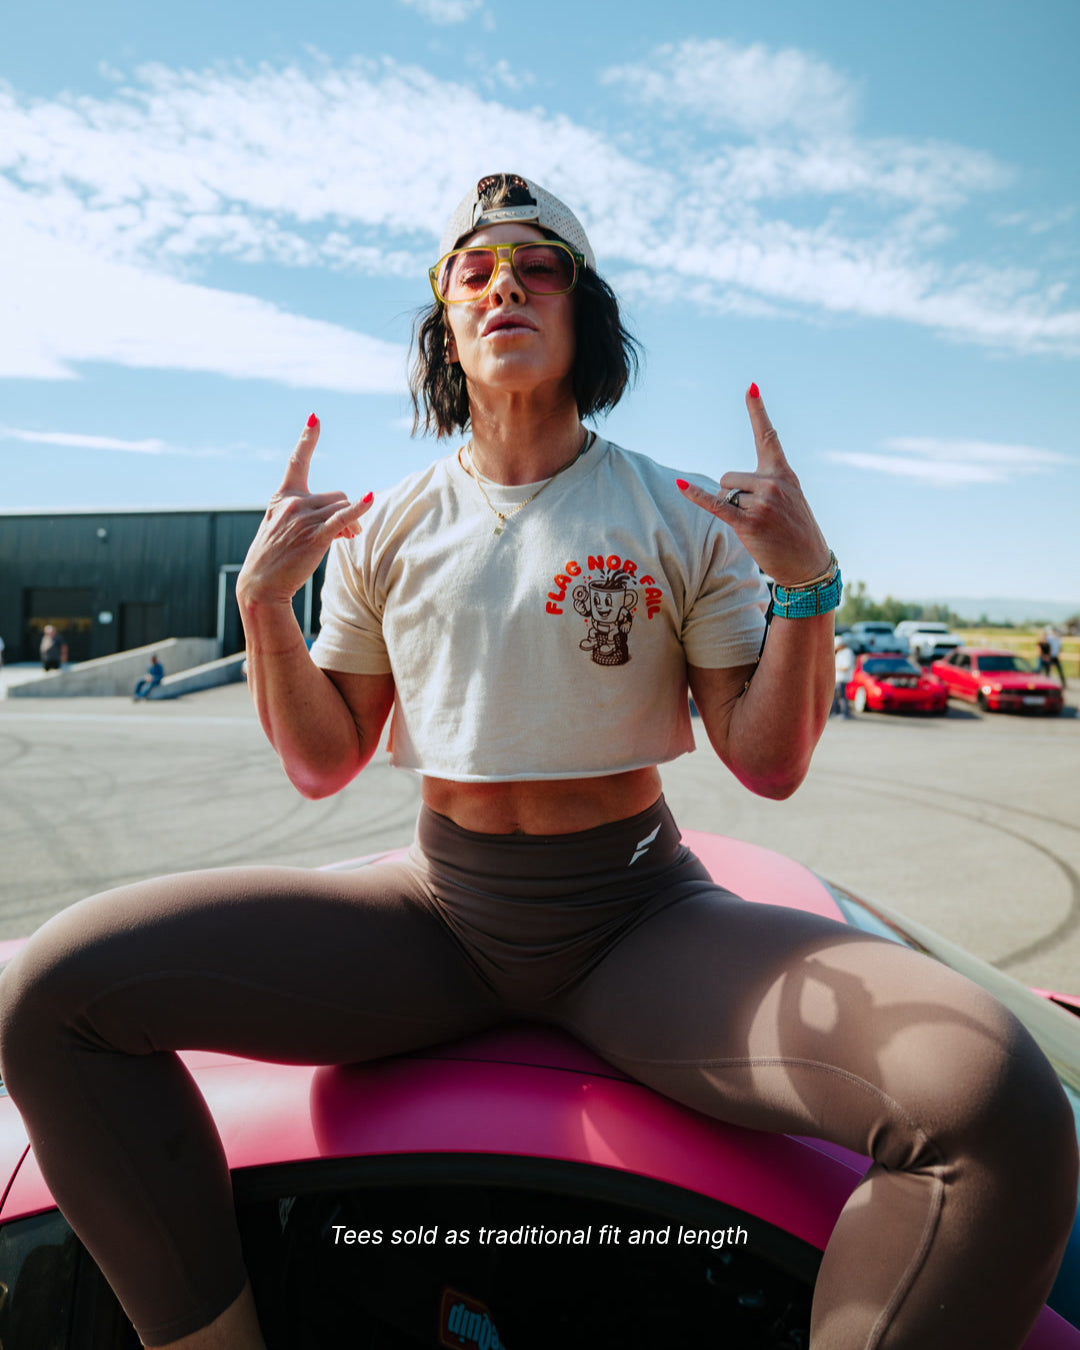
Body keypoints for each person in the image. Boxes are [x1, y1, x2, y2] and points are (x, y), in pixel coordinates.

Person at [0, 173, 1074, 1350]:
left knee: (994, 1101)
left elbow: (766, 766)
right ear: (447, 327)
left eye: (540, 266)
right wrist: (266, 606)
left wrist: (808, 583)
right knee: (52, 996)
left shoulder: (680, 514)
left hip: (639, 922)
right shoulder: (386, 527)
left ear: (584, 315)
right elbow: (323, 763)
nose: (506, 282)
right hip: (434, 914)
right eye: (476, 270)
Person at [832, 634, 854, 717]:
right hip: (838, 678)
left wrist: (834, 668)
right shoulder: (840, 653)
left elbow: (846, 666)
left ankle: (844, 713)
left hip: (842, 678)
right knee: (837, 696)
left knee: (842, 696)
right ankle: (837, 712)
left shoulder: (847, 652)